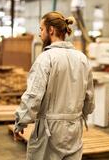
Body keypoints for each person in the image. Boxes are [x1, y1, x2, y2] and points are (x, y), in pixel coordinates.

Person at [14, 11, 95, 160]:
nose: (40, 34)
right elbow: (89, 97)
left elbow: (33, 96)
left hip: (49, 131)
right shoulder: (82, 59)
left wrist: (21, 122)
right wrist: (81, 115)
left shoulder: (46, 59)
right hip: (74, 128)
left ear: (51, 30)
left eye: (41, 29)